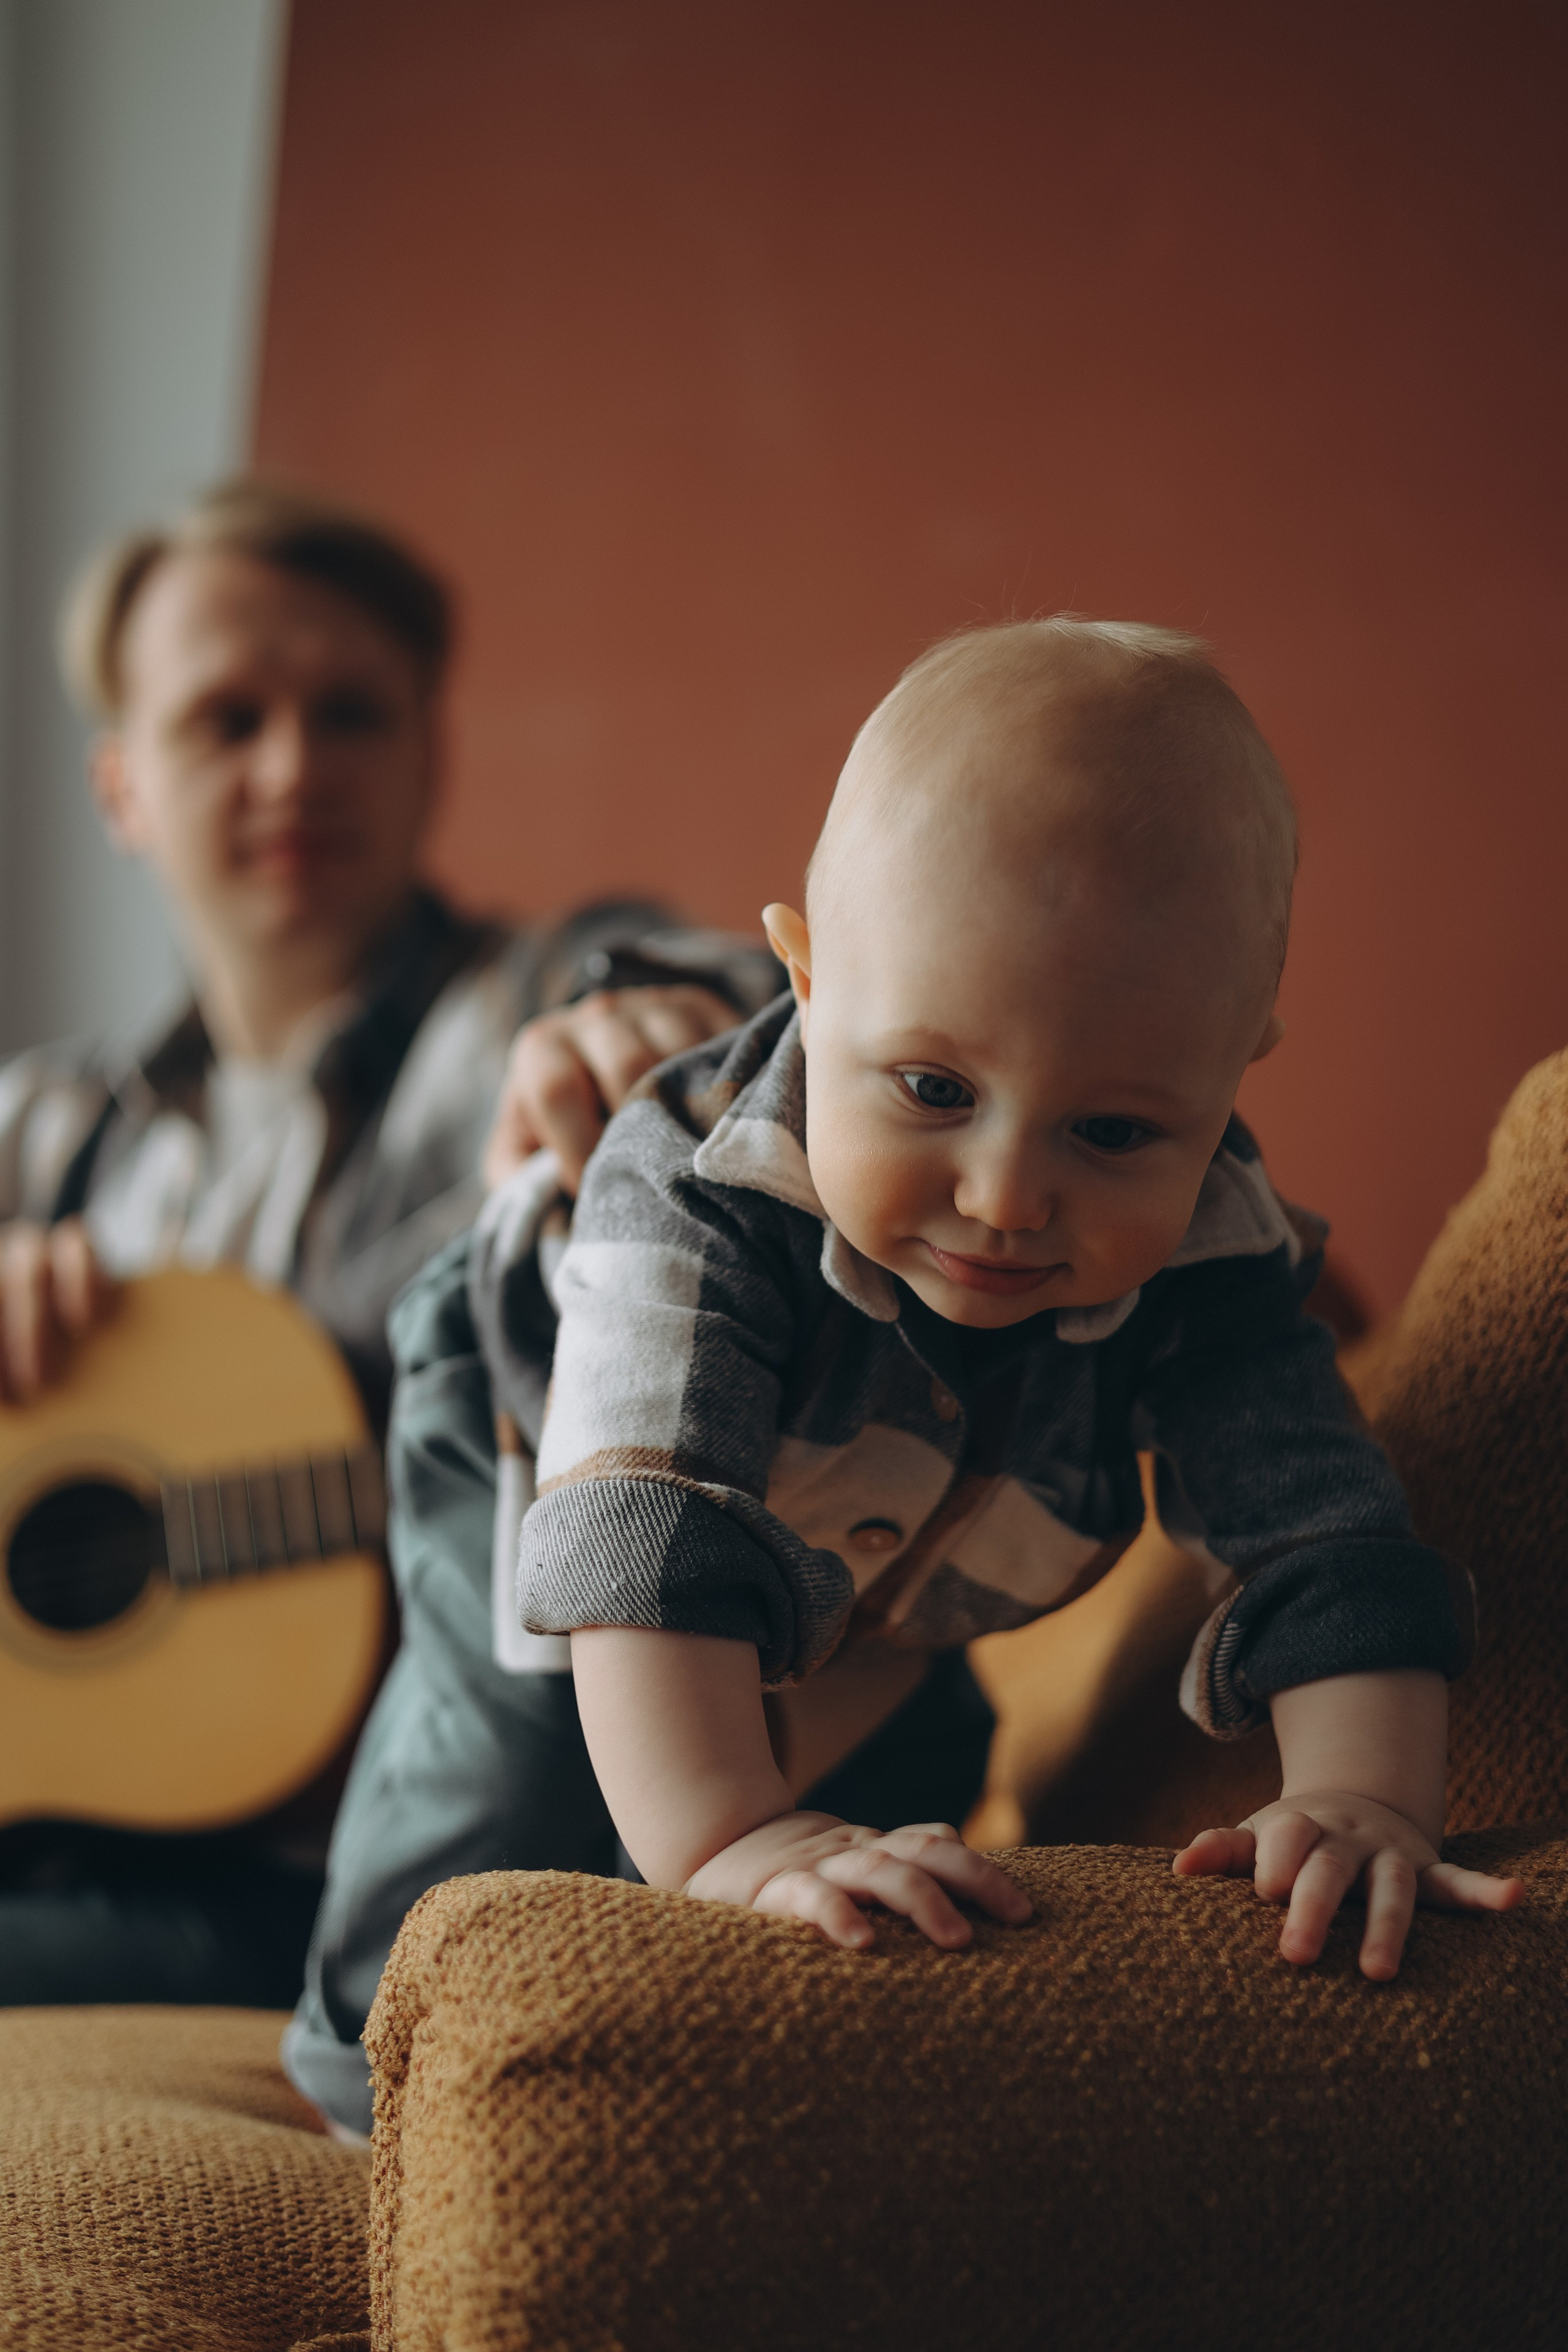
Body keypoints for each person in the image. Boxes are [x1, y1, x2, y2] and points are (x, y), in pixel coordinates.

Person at [516, 616, 1525, 1976]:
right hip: (541, 1468)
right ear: (809, 990)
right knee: (494, 1792)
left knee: (930, 1781)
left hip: (893, 1591)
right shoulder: (697, 1191)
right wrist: (731, 1842)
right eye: (934, 1091)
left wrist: (1363, 1798)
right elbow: (641, 1534)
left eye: (1109, 1132)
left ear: (1230, 1076)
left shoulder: (1211, 1257)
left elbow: (1318, 1538)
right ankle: (347, 2064)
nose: (1002, 1199)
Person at [0, 478, 776, 2010]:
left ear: (432, 754)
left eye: (352, 714)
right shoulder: (44, 1134)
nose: (294, 767)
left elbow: (739, 1007)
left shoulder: (534, 997)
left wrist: (666, 1038)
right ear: (122, 790)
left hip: (366, 1863)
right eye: (226, 720)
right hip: (69, 1821)